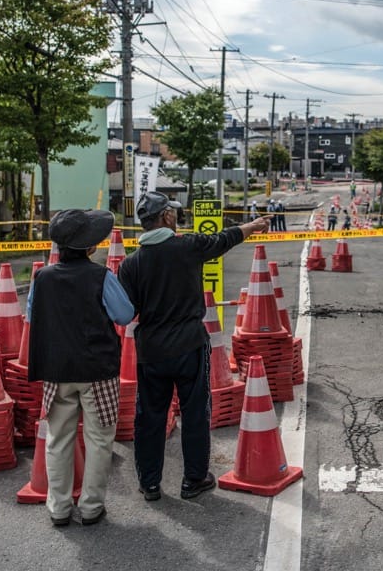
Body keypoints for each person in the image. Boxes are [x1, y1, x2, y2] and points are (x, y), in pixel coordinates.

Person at [117, 191, 270, 502]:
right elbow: (224, 239)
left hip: (151, 352)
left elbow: (127, 311)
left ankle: (149, 483)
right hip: (189, 345)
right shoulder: (187, 247)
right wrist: (253, 226)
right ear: (166, 217)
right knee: (195, 412)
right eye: (171, 212)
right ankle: (194, 479)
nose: (175, 215)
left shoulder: (131, 264)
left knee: (150, 417)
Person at [27, 209, 135, 527]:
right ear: (90, 247)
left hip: (56, 369)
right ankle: (91, 506)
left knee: (58, 438)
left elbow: (33, 315)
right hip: (97, 369)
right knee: (99, 438)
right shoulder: (101, 277)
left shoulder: (42, 278)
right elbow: (125, 315)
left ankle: (59, 507)